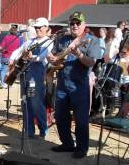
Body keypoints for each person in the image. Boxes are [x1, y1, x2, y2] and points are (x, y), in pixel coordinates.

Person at [48, 11, 101, 158]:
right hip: (62, 84)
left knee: (81, 118)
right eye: (72, 23)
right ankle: (67, 144)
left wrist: (79, 54)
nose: (75, 25)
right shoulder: (62, 39)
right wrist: (51, 59)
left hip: (79, 85)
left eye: (78, 23)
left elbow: (91, 62)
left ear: (84, 25)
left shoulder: (92, 40)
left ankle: (81, 148)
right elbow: (54, 55)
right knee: (60, 115)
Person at [10, 17, 53, 138]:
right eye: (36, 27)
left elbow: (43, 56)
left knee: (35, 103)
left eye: (40, 27)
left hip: (36, 76)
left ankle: (43, 129)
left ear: (46, 28)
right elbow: (18, 51)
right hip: (25, 74)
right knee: (25, 103)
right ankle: (29, 130)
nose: (38, 29)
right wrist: (12, 60)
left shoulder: (49, 42)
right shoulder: (30, 41)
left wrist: (31, 57)